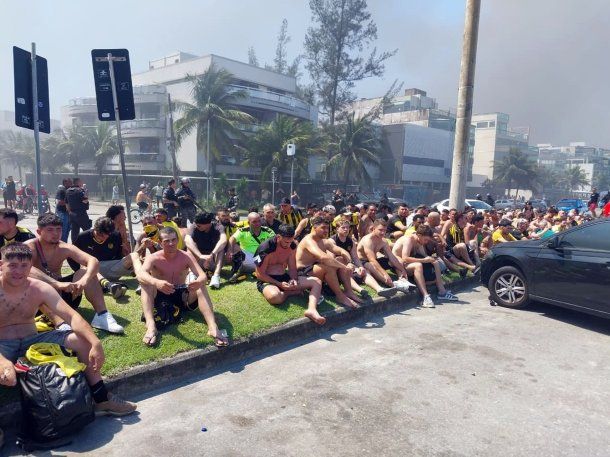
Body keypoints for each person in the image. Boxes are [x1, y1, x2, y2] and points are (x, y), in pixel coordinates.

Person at [0, 243, 137, 418]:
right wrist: (3, 362)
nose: (18, 271)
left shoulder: (38, 287)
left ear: (30, 267)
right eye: (12, 265)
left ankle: (102, 399)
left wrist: (95, 343)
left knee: (82, 340)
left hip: (32, 340)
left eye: (24, 266)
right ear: (1, 265)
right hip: (2, 344)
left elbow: (72, 317)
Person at [25, 214, 124, 334]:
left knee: (85, 272)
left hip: (63, 297)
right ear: (39, 231)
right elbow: (26, 268)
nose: (55, 234)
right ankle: (60, 323)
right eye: (50, 230)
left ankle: (102, 316)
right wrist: (56, 284)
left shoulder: (64, 247)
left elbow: (93, 261)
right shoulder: (29, 247)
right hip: (38, 302)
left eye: (58, 229)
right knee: (35, 283)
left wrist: (84, 280)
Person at [133, 227, 228, 347]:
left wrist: (198, 281)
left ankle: (212, 326)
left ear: (178, 240)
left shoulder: (186, 256)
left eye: (173, 240)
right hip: (161, 293)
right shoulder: (154, 257)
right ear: (160, 243)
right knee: (146, 283)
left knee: (200, 285)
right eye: (166, 241)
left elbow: (202, 275)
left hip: (181, 295)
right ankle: (151, 325)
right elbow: (141, 274)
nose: (171, 243)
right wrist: (156, 282)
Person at [254, 224, 326, 324]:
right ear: (278, 237)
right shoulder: (265, 248)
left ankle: (312, 310)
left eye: (290, 241)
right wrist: (279, 284)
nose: (288, 245)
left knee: (316, 281)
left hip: (284, 277)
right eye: (286, 242)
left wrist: (294, 279)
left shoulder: (292, 245)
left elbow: (292, 267)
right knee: (275, 297)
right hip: (267, 280)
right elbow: (259, 274)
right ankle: (290, 292)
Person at [296, 216, 362, 309]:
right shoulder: (309, 240)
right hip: (303, 273)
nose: (326, 230)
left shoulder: (323, 241)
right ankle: (340, 296)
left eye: (327, 228)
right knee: (329, 267)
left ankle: (349, 291)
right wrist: (344, 267)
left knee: (341, 259)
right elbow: (323, 257)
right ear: (314, 228)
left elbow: (342, 251)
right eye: (323, 228)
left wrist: (349, 262)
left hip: (315, 269)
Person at [392, 225, 459, 308]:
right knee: (418, 265)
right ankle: (425, 296)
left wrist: (430, 259)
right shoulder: (409, 239)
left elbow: (424, 255)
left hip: (407, 264)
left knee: (435, 262)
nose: (426, 242)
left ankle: (442, 292)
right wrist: (424, 260)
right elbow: (405, 258)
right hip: (398, 264)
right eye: (425, 239)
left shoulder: (419, 241)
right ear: (419, 235)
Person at [330, 218, 398, 299]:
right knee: (345, 269)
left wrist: (360, 267)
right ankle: (361, 290)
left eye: (347, 227)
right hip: (337, 268)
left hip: (349, 265)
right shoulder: (332, 241)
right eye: (343, 227)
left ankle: (379, 289)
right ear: (337, 229)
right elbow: (331, 259)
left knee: (365, 271)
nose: (346, 230)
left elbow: (355, 258)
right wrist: (347, 265)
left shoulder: (350, 241)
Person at [69, 217, 133, 299]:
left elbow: (117, 257)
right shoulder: (83, 237)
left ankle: (107, 284)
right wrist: (78, 271)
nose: (102, 237)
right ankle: (109, 285)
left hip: (109, 268)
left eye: (105, 235)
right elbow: (71, 257)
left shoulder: (115, 236)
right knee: (90, 264)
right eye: (99, 234)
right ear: (94, 228)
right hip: (89, 271)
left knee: (133, 256)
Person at [356, 219, 414, 293]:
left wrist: (402, 270)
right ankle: (393, 285)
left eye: (384, 230)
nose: (383, 232)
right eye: (380, 230)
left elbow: (391, 257)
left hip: (375, 261)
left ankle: (402, 280)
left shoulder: (383, 241)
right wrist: (385, 274)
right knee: (371, 265)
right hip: (363, 262)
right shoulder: (368, 240)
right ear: (373, 228)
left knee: (397, 260)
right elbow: (372, 260)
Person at [227, 212, 275, 283]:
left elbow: (276, 242)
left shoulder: (268, 231)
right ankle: (238, 272)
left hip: (262, 258)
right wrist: (229, 251)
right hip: (247, 257)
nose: (258, 224)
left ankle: (253, 272)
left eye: (259, 221)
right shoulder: (242, 231)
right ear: (249, 223)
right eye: (254, 222)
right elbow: (232, 239)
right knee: (235, 249)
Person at [184, 212, 227, 289]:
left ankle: (216, 276)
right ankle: (191, 274)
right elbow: (187, 240)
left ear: (208, 224)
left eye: (199, 225)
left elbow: (224, 240)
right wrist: (200, 256)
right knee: (190, 246)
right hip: (198, 260)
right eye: (196, 224)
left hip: (213, 260)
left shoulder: (218, 227)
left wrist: (212, 254)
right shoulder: (194, 226)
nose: (197, 226)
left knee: (222, 248)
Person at [66, 177, 91, 242]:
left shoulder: (68, 191)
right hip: (81, 214)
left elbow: (67, 203)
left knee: (74, 232)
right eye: (81, 181)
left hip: (72, 214)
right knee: (87, 230)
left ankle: (74, 245)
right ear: (78, 182)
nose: (82, 183)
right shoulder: (80, 190)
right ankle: (88, 245)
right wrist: (86, 195)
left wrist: (70, 213)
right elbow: (85, 200)